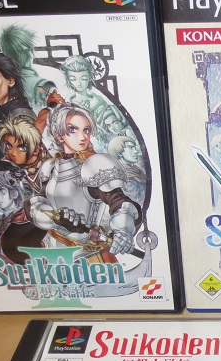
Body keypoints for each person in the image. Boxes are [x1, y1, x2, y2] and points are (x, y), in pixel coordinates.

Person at [29, 103, 141, 261]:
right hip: (53, 253)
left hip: (87, 257)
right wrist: (53, 217)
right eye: (72, 130)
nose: (82, 137)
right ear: (59, 135)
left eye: (86, 130)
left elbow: (120, 202)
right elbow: (38, 201)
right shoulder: (51, 167)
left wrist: (123, 231)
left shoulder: (95, 165)